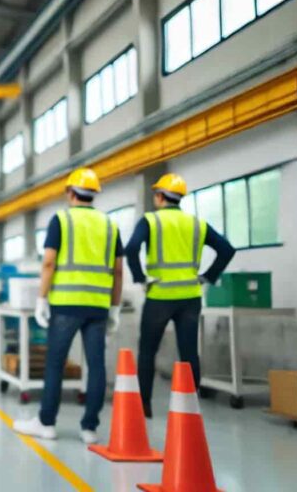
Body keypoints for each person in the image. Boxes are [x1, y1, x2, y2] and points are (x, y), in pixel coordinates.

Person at [13, 168, 123, 444]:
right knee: (96, 366)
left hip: (65, 305)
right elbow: (118, 271)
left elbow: (48, 262)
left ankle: (47, 423)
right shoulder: (110, 225)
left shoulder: (61, 220)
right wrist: (115, 308)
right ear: (94, 194)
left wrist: (41, 298)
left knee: (55, 364)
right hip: (98, 306)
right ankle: (90, 428)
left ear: (70, 193)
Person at [125, 173, 235, 417]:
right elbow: (227, 249)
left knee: (147, 351)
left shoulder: (150, 221)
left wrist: (140, 278)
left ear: (161, 196)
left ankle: (145, 406)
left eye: (156, 193)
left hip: (159, 297)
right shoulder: (197, 224)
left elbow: (131, 248)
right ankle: (190, 405)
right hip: (190, 298)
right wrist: (207, 276)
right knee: (188, 353)